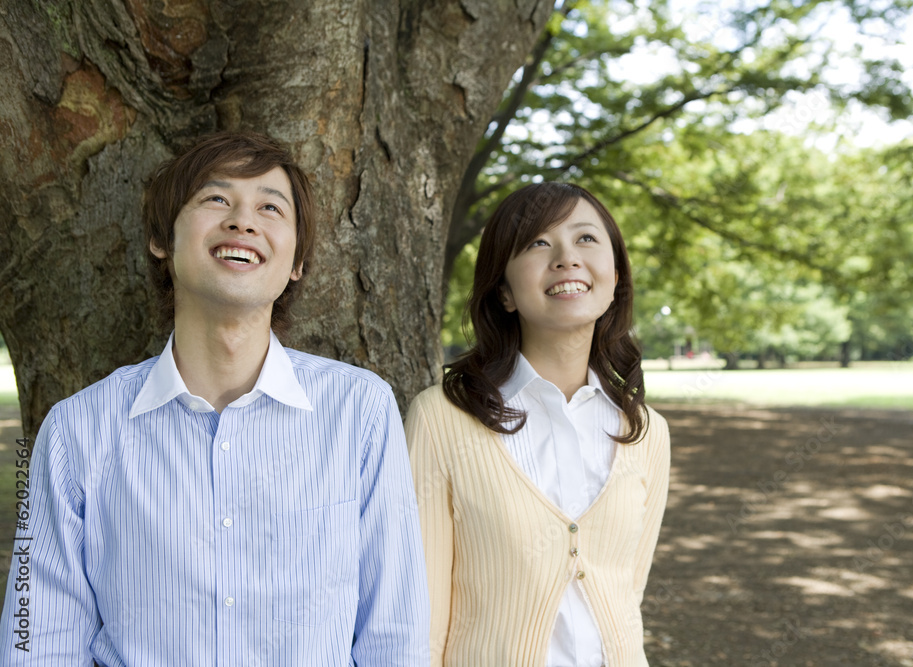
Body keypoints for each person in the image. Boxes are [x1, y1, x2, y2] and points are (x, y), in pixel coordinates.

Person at [0, 131, 429, 665]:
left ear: (297, 262)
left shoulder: (360, 411)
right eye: (216, 199)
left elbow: (395, 632)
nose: (243, 221)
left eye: (270, 207)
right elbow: (36, 638)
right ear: (162, 240)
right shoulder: (76, 429)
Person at [405, 182, 671, 666]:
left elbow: (629, 590)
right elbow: (421, 613)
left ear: (615, 277)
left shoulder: (646, 431)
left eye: (586, 239)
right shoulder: (440, 419)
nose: (566, 257)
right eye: (538, 243)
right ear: (504, 291)